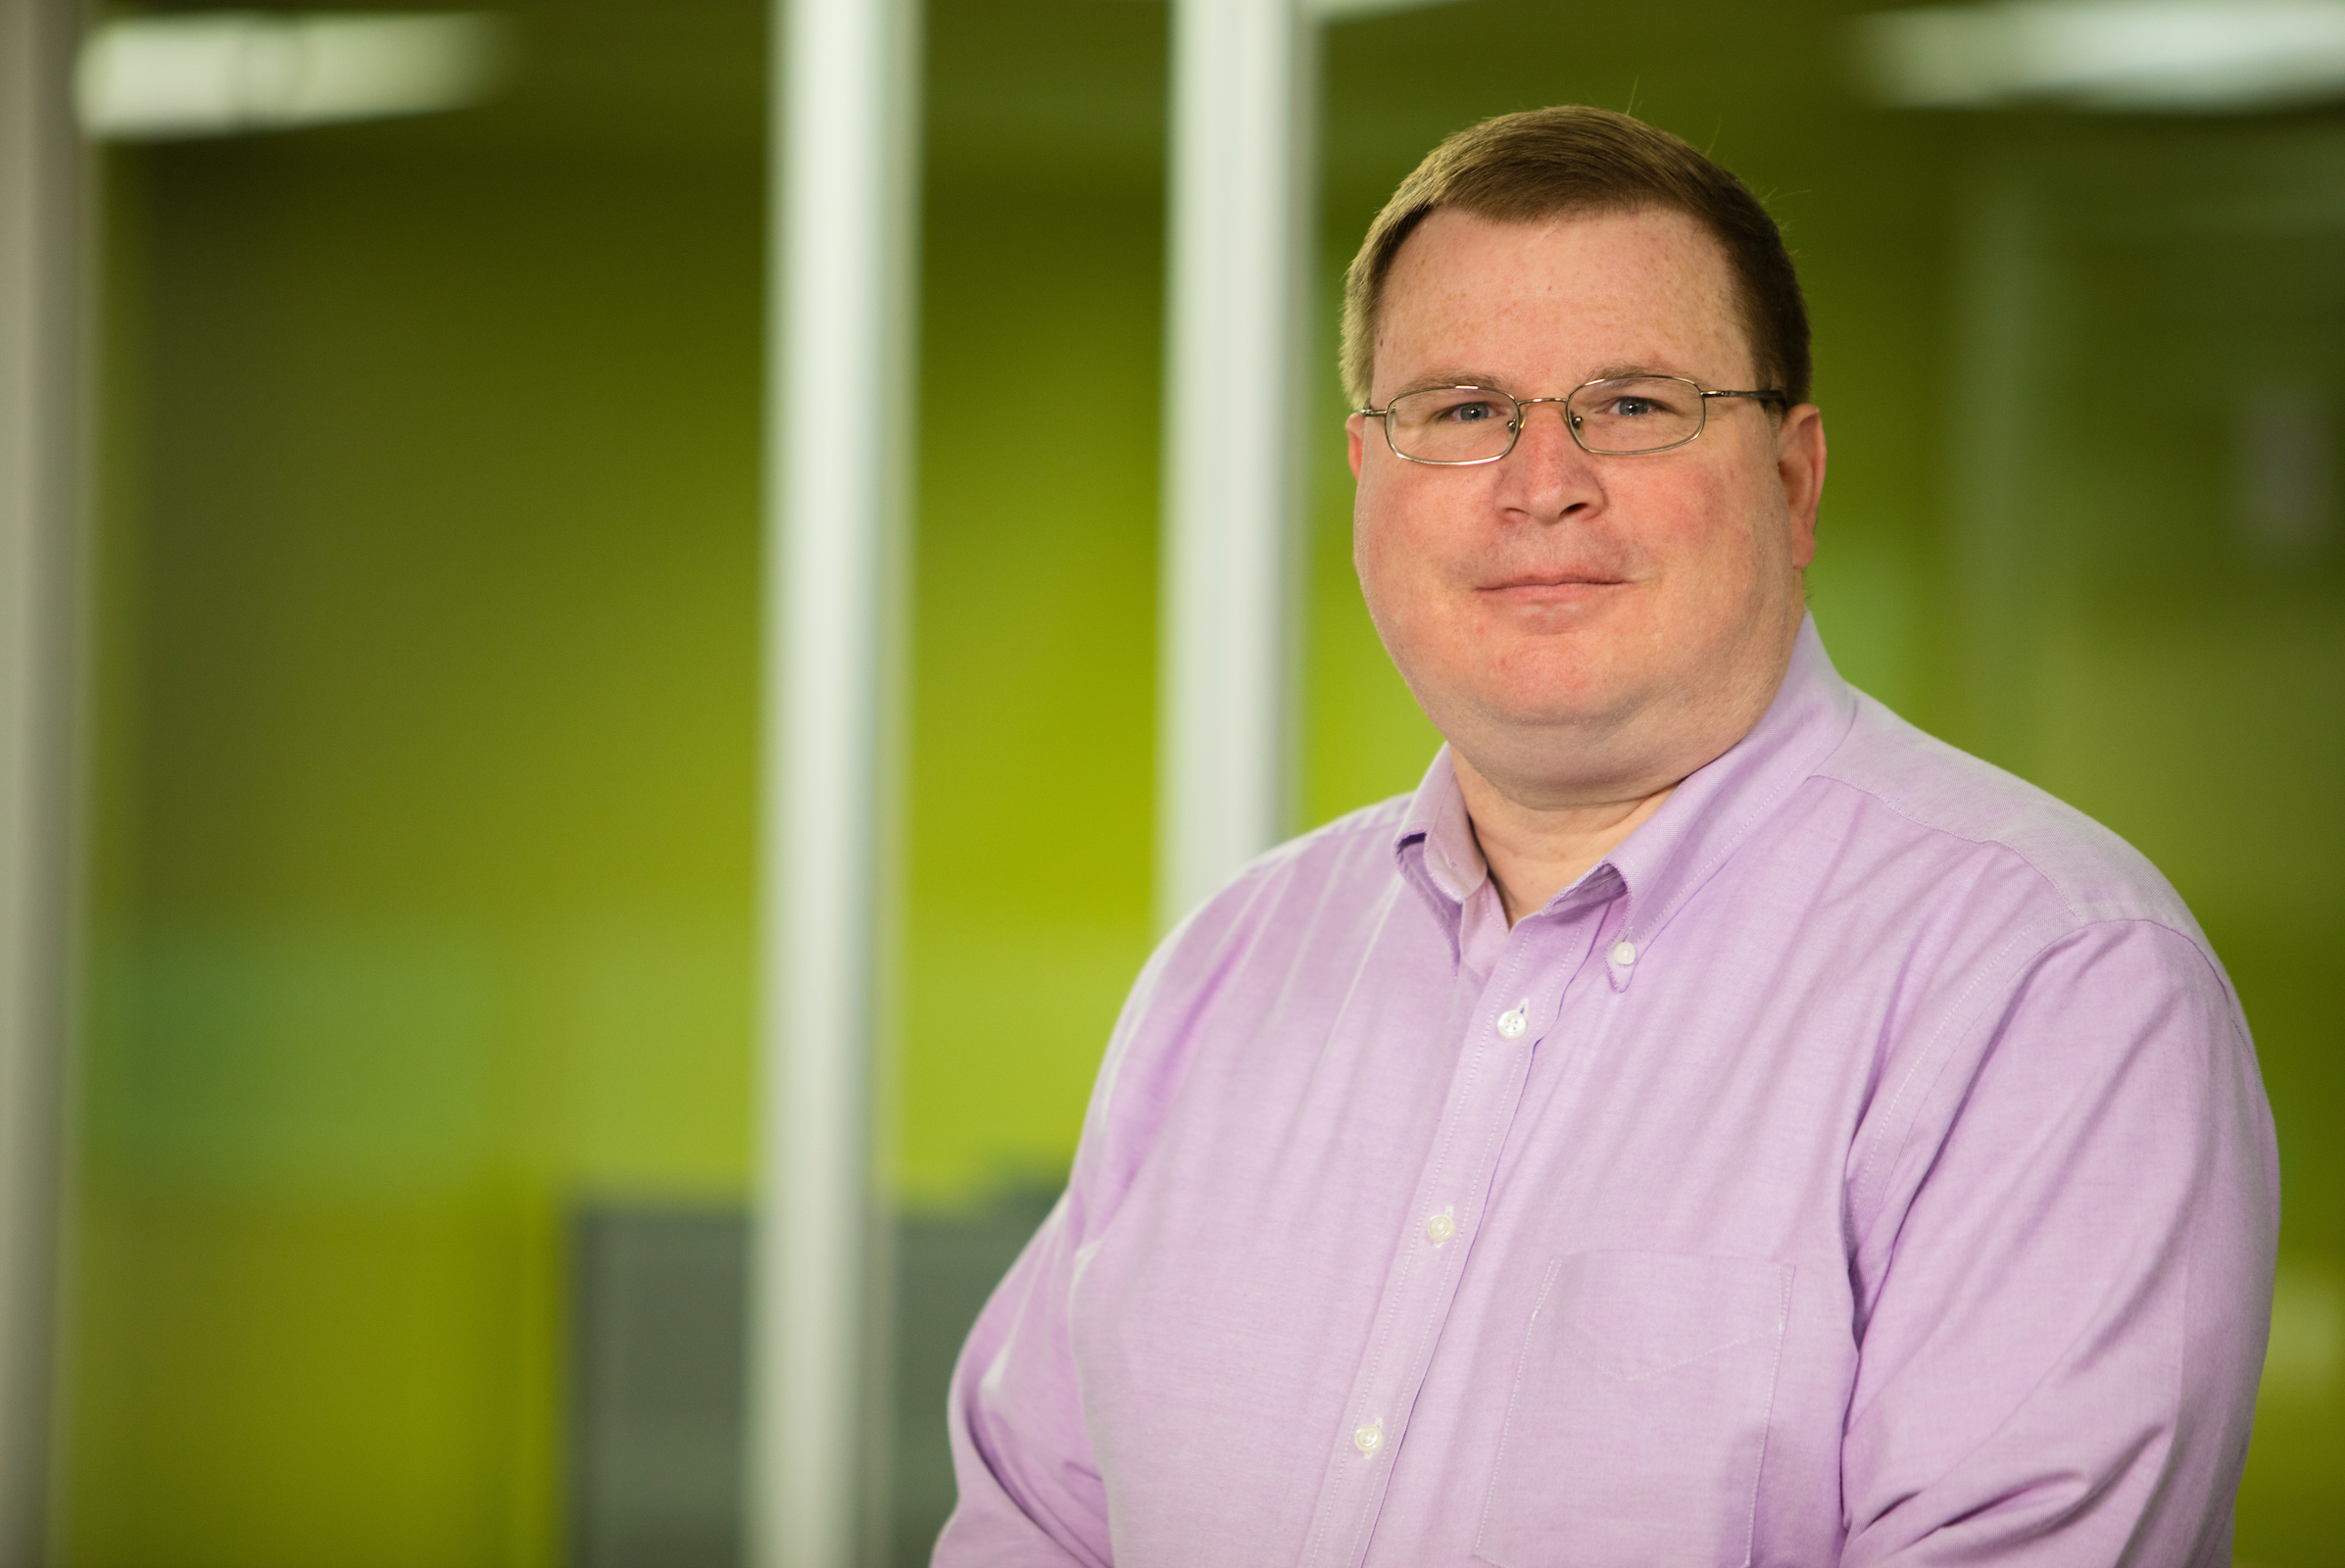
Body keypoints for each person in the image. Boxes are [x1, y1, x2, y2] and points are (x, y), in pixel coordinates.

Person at [933, 106, 2277, 1567]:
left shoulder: (2051, 985)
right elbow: (1031, 1526)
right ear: (1368, 477)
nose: (1541, 482)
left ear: (1793, 480)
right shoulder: (1228, 974)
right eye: (1462, 412)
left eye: (1633, 405)